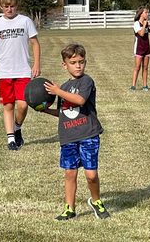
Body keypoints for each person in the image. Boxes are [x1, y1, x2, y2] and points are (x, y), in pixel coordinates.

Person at [37, 43, 110, 220]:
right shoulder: (64, 87)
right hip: (69, 137)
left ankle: (96, 201)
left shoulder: (86, 81)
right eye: (73, 62)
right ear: (65, 65)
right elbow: (65, 112)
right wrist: (46, 110)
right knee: (70, 173)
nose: (78, 65)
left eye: (81, 61)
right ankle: (69, 209)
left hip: (88, 135)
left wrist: (57, 91)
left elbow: (79, 100)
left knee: (91, 175)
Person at [0, 0, 41, 151]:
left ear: (17, 6)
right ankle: (11, 139)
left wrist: (36, 64)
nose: (9, 9)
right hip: (5, 72)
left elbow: (35, 43)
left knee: (23, 105)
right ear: (1, 6)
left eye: (12, 6)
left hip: (22, 71)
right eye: (6, 6)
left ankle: (17, 128)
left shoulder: (25, 21)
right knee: (8, 106)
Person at [130, 5, 150, 91]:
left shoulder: (146, 24)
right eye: (146, 12)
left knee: (145, 67)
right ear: (141, 14)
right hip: (139, 48)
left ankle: (145, 85)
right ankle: (133, 85)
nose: (147, 14)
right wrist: (144, 25)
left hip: (146, 48)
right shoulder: (136, 24)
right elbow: (141, 34)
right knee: (137, 67)